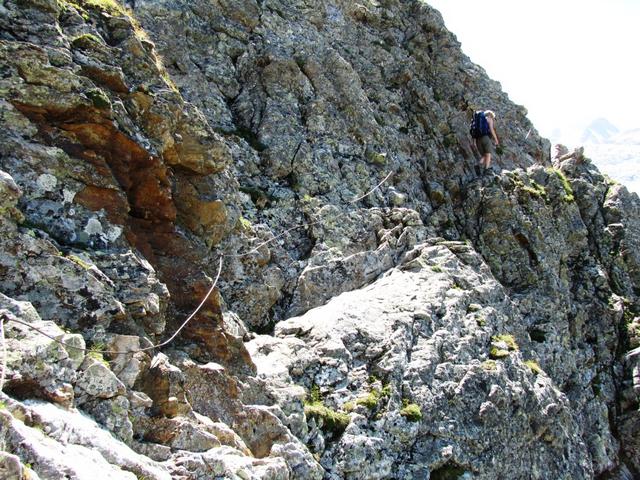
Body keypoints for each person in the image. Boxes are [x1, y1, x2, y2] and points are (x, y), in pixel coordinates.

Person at [475, 110, 500, 176]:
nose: (492, 118)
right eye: (492, 117)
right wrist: (496, 140)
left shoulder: (478, 121)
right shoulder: (489, 119)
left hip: (477, 139)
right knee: (488, 153)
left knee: (484, 155)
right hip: (485, 138)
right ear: (490, 115)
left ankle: (478, 165)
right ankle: (486, 169)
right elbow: (491, 130)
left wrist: (473, 141)